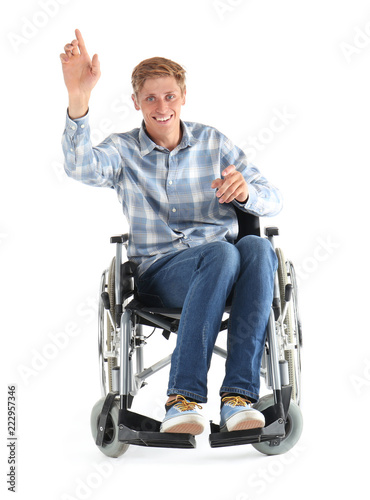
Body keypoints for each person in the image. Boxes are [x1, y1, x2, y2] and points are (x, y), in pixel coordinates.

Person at [60, 29, 283, 435]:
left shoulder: (213, 143)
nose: (161, 107)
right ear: (135, 102)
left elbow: (273, 197)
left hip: (228, 271)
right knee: (223, 252)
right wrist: (79, 98)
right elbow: (80, 168)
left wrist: (247, 192)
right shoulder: (123, 151)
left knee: (257, 249)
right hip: (162, 274)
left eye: (169, 96)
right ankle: (184, 399)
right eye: (150, 98)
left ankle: (238, 398)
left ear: (182, 97)